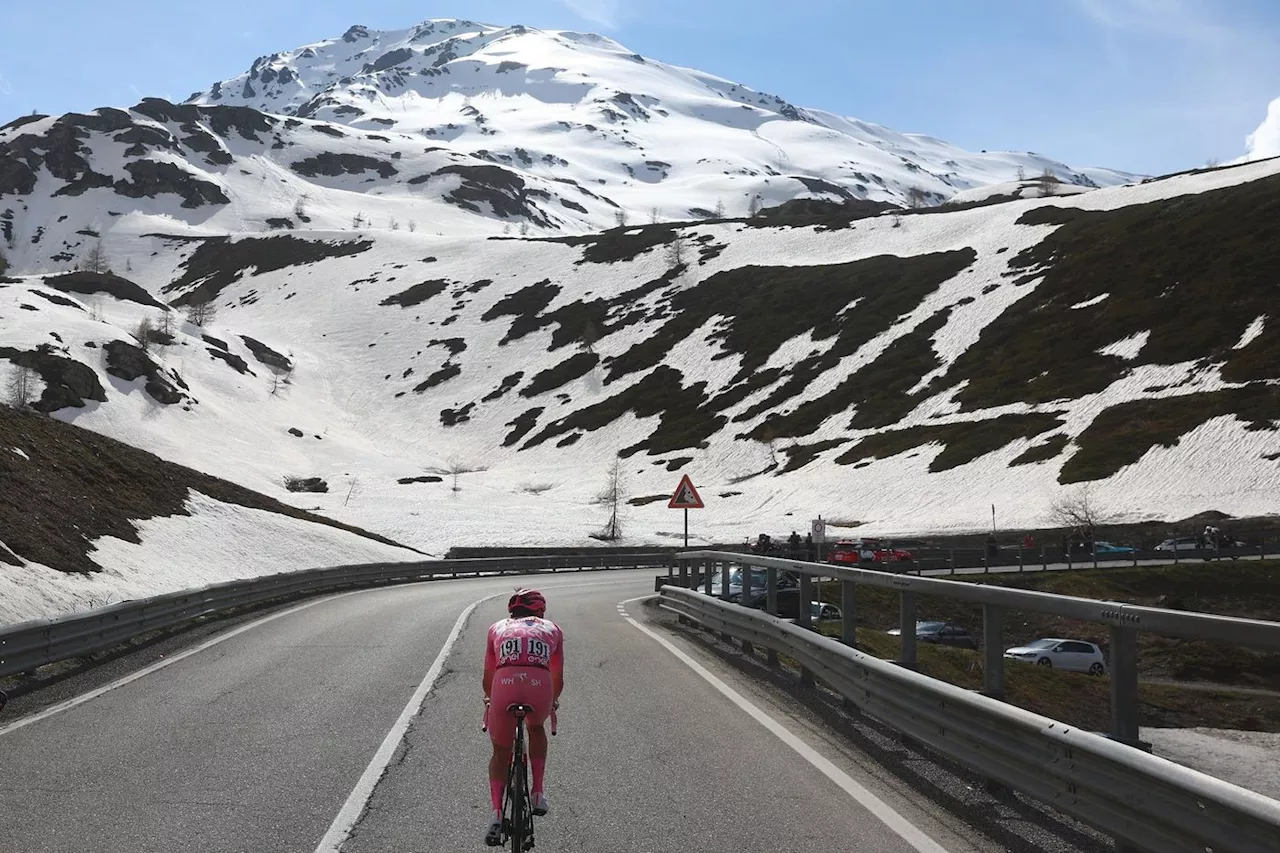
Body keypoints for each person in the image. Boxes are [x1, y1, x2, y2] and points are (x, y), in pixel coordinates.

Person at [483, 589, 564, 846]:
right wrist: (553, 701)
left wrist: (489, 698)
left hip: (504, 685)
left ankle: (496, 814)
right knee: (536, 727)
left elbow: (487, 677)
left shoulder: (496, 628)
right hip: (539, 687)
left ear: (511, 611)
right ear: (540, 610)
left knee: (500, 751)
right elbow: (557, 677)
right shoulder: (553, 629)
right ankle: (538, 792)